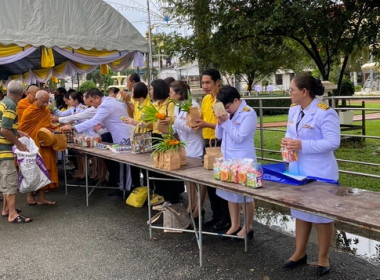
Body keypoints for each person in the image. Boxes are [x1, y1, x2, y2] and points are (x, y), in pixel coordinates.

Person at [281, 73, 340, 277]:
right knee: (300, 212)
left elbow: (333, 143)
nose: (290, 93)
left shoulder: (325, 113)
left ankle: (323, 257)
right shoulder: (294, 110)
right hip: (299, 169)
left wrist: (302, 145)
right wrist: (288, 143)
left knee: (322, 216)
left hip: (321, 171)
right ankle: (299, 252)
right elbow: (291, 134)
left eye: (292, 90)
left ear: (305, 92)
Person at [62, 89, 134, 192]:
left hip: (123, 136)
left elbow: (93, 121)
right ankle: (123, 188)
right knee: (121, 165)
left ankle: (127, 189)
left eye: (92, 101)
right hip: (121, 135)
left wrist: (73, 128)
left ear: (98, 98)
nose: (91, 105)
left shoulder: (105, 105)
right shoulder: (110, 100)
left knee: (125, 165)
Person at [215, 85, 257, 239]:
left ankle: (248, 227)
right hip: (228, 159)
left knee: (246, 195)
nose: (227, 110)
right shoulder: (228, 114)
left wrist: (226, 121)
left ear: (236, 100)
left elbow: (239, 137)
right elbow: (219, 135)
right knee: (230, 193)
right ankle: (234, 224)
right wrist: (220, 122)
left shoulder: (249, 113)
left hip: (244, 160)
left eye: (228, 107)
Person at [193, 68, 230, 231]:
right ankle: (216, 215)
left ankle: (226, 218)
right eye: (203, 83)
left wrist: (206, 124)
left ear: (217, 82)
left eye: (208, 82)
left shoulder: (221, 100)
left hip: (220, 142)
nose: (205, 86)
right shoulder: (206, 99)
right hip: (207, 142)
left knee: (221, 181)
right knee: (209, 182)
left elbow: (224, 125)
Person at [169, 81, 206, 218]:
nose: (169, 94)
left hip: (195, 146)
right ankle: (191, 204)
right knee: (188, 180)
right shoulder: (177, 106)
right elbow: (177, 124)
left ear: (179, 94)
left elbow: (193, 127)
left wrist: (174, 121)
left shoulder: (193, 106)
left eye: (171, 92)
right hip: (185, 146)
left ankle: (199, 207)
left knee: (198, 180)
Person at [0, 80, 32, 223]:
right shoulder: (12, 105)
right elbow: (5, 130)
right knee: (10, 182)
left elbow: (5, 124)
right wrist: (19, 144)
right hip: (3, 149)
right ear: (21, 94)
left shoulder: (3, 102)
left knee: (5, 181)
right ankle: (12, 214)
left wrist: (19, 132)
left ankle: (6, 209)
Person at [19, 90, 58, 205]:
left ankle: (42, 197)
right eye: (43, 102)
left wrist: (54, 130)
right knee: (32, 170)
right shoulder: (29, 111)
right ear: (36, 99)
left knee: (45, 170)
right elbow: (22, 129)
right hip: (32, 146)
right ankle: (30, 194)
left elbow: (47, 126)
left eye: (47, 102)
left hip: (44, 145)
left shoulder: (45, 110)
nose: (45, 105)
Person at [149, 79, 184, 203]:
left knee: (169, 167)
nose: (150, 92)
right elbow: (152, 122)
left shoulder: (171, 104)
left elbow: (171, 122)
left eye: (151, 89)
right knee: (158, 167)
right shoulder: (154, 104)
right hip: (155, 137)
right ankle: (161, 194)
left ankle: (172, 197)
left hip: (167, 138)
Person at [122, 82, 151, 189]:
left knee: (145, 165)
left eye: (133, 91)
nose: (131, 93)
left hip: (145, 136)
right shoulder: (138, 103)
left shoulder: (148, 105)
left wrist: (133, 121)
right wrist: (127, 101)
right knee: (134, 163)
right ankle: (137, 187)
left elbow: (148, 124)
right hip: (137, 136)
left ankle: (148, 188)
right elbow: (133, 114)